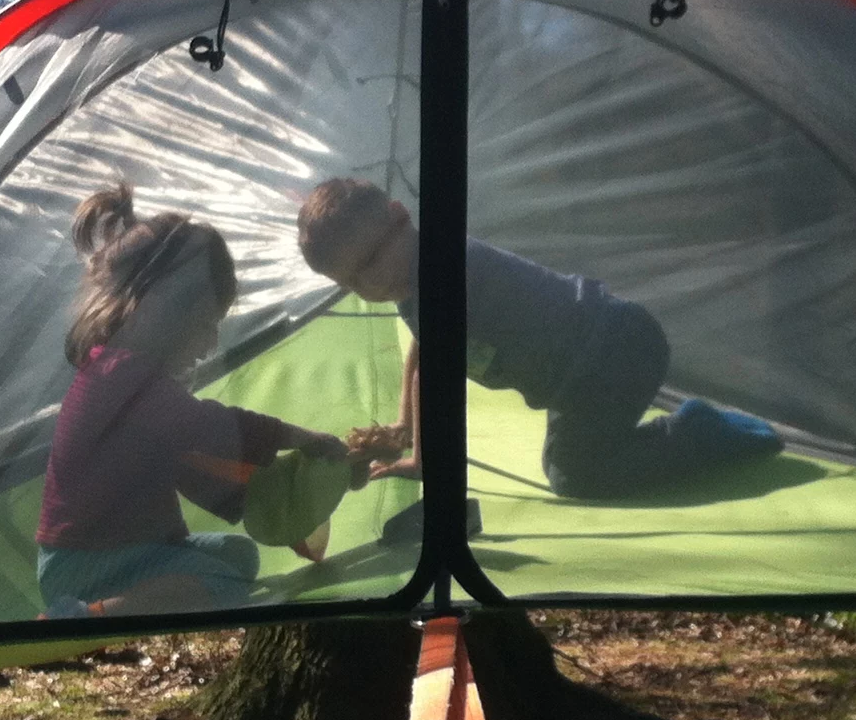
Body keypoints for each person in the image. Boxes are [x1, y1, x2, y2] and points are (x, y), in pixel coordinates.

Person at [296, 178, 783, 501]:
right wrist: (405, 424)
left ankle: (695, 433)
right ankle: (682, 431)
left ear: (401, 215)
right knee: (568, 463)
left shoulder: (443, 265)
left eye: (372, 260)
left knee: (575, 476)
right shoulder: (410, 283)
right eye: (353, 282)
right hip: (575, 379)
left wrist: (424, 458)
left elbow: (436, 374)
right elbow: (423, 350)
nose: (371, 285)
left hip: (615, 349)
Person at [36, 183, 359, 618]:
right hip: (88, 560)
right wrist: (303, 438)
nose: (209, 344)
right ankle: (85, 617)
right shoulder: (122, 378)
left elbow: (195, 470)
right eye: (206, 324)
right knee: (221, 587)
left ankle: (111, 605)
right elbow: (214, 429)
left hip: (126, 550)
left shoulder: (126, 375)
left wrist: (297, 493)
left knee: (237, 557)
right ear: (159, 310)